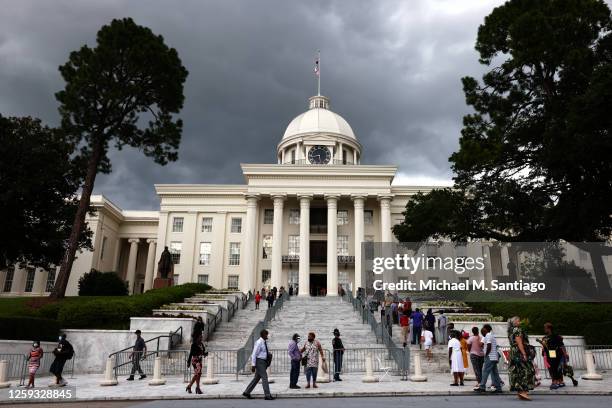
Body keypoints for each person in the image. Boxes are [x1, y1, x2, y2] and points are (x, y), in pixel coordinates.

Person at [508, 316, 535, 400]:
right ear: (515, 322)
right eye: (518, 321)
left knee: (517, 371)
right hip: (519, 352)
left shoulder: (511, 330)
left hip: (513, 352)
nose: (520, 322)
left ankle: (520, 391)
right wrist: (524, 353)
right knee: (527, 370)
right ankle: (523, 391)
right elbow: (519, 342)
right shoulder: (517, 329)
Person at [243, 329, 274, 400]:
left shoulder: (264, 342)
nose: (267, 336)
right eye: (266, 334)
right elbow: (254, 354)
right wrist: (253, 365)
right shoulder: (259, 342)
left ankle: (247, 392)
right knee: (265, 377)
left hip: (263, 362)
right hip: (259, 362)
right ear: (263, 335)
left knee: (256, 378)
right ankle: (267, 395)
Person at [539, 323, 570, 389]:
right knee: (552, 368)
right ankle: (555, 381)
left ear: (549, 328)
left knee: (558, 368)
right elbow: (544, 348)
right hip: (550, 354)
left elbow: (562, 345)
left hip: (558, 354)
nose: (544, 329)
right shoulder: (545, 338)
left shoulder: (557, 336)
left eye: (545, 328)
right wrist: (544, 354)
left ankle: (559, 381)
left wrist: (565, 354)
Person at [475, 324, 502, 393]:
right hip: (494, 357)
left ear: (486, 329)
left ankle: (482, 387)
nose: (482, 331)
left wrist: (486, 354)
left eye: (483, 329)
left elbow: (489, 346)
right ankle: (498, 388)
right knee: (495, 373)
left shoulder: (488, 335)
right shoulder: (491, 335)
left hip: (490, 357)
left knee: (485, 372)